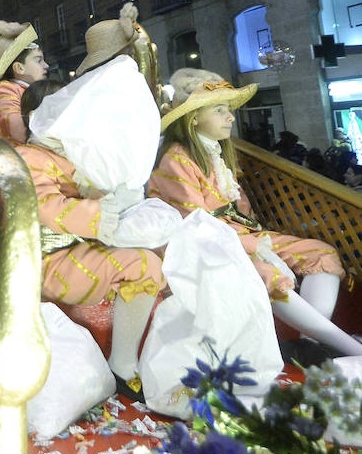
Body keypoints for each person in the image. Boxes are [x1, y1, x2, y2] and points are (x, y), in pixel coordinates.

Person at [148, 69, 362, 359]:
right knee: (265, 272)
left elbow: (240, 211)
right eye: (219, 110)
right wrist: (253, 246)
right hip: (200, 246)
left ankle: (309, 344)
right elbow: (196, 225)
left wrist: (256, 241)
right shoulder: (176, 159)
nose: (230, 117)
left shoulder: (216, 153)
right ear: (194, 118)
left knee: (321, 253)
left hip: (238, 235)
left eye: (229, 109)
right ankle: (349, 348)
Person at [17, 78, 167, 397]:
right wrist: (104, 210)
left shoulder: (74, 154)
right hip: (43, 259)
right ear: (35, 117)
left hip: (79, 245)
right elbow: (47, 209)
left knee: (163, 251)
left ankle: (138, 359)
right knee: (143, 265)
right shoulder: (28, 158)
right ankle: (123, 365)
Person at [0, 21, 48, 143]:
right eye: (38, 60)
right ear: (19, 68)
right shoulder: (4, 89)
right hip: (16, 149)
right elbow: (15, 127)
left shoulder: (39, 89)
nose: (46, 65)